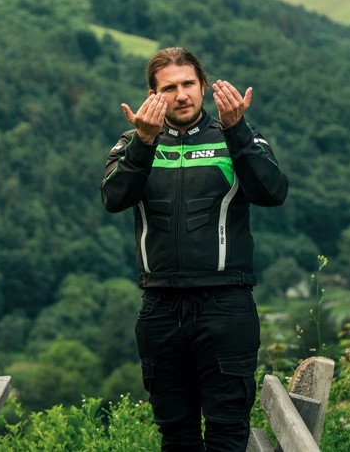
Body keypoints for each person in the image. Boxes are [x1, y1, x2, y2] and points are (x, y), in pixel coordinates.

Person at [101, 47, 288, 451]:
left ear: (203, 86)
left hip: (226, 304)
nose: (181, 94)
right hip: (159, 308)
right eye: (169, 88)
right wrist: (144, 143)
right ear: (153, 95)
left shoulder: (235, 135)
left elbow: (272, 192)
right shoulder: (134, 143)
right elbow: (113, 198)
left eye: (189, 84)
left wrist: (237, 131)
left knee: (226, 435)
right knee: (177, 437)